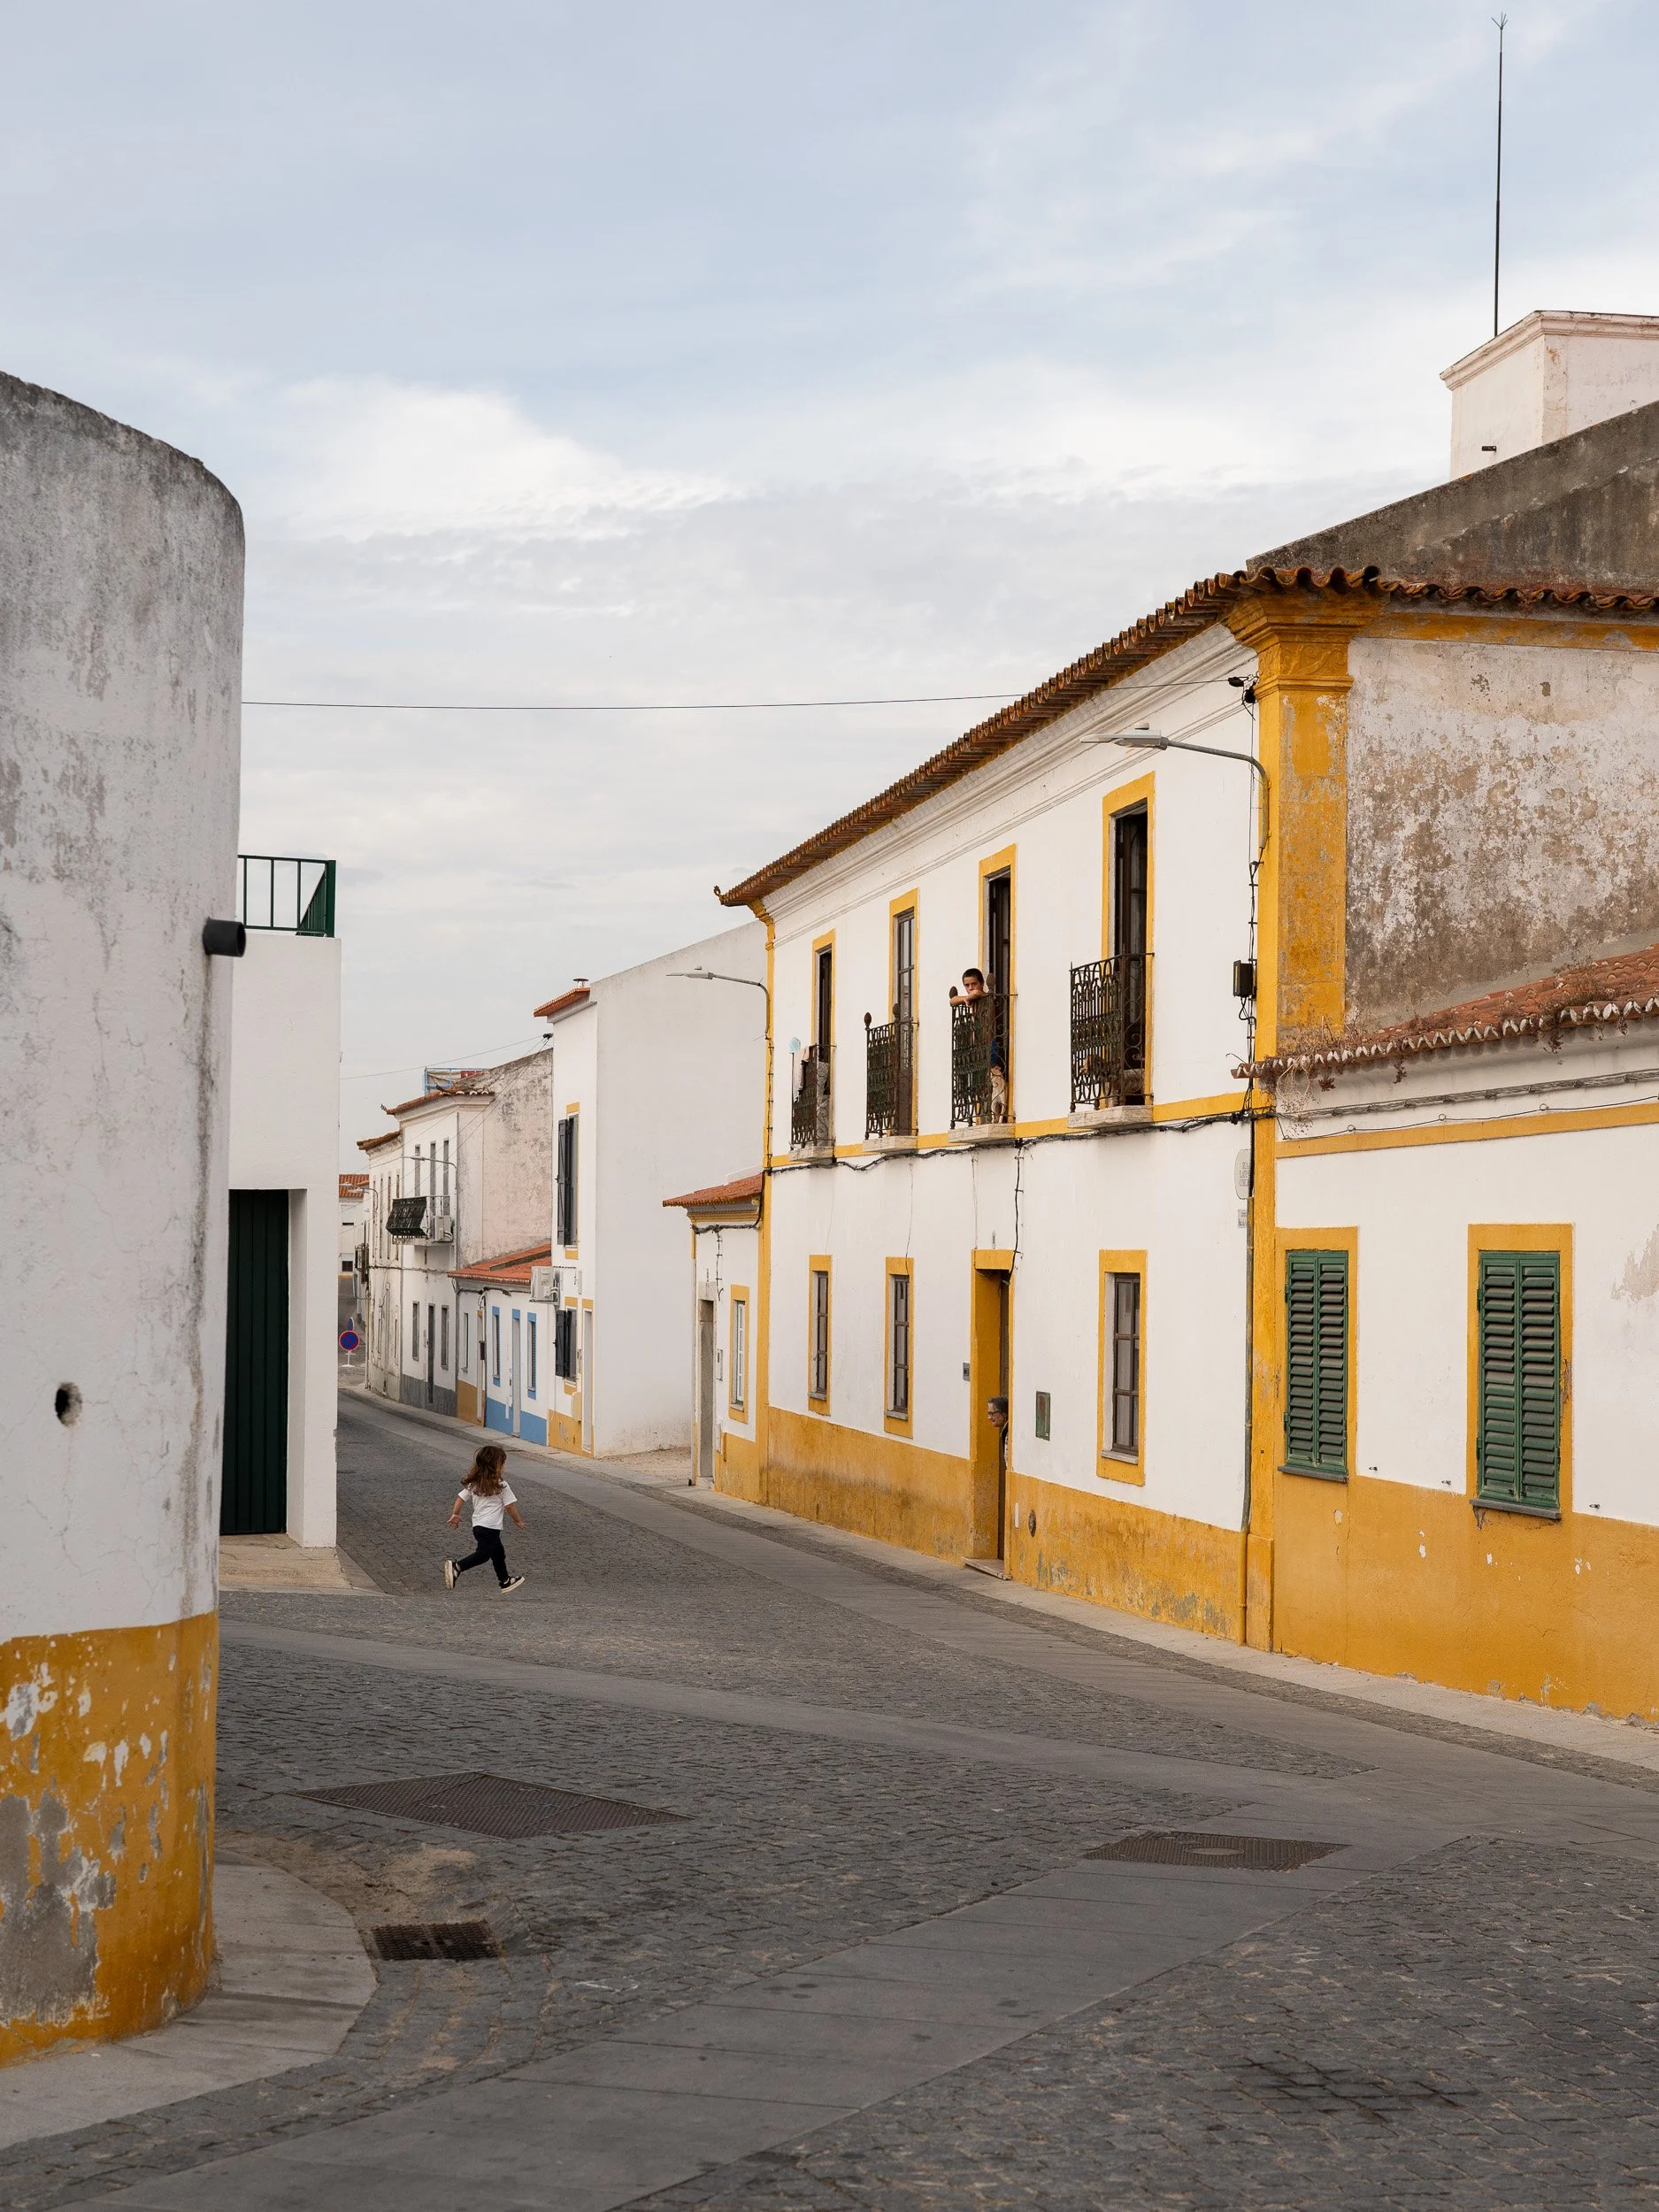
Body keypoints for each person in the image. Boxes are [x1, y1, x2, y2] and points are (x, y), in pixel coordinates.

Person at [443, 1443, 526, 1594]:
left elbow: (460, 1498)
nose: (504, 1466)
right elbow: (510, 1507)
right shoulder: (502, 1486)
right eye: (503, 1463)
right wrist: (517, 1520)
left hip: (479, 1527)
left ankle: (505, 1581)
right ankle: (458, 1567)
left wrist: (455, 1514)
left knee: (498, 1553)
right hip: (491, 1528)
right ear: (497, 1466)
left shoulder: (474, 1483)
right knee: (483, 1555)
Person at [948, 968, 1008, 1123]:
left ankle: (997, 1116)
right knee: (984, 1080)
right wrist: (964, 999)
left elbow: (975, 994)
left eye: (974, 983)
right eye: (967, 985)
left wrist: (968, 997)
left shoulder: (982, 995)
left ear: (981, 983)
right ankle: (989, 1113)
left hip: (990, 1043)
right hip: (978, 1046)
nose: (971, 988)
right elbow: (952, 1001)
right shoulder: (971, 996)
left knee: (994, 1073)